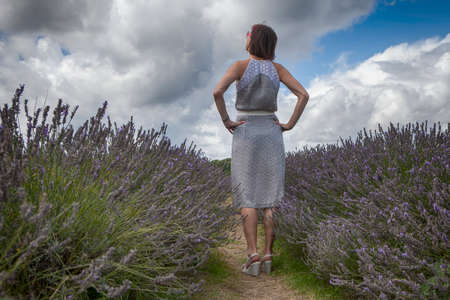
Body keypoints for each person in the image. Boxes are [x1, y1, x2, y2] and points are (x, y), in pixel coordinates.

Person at [212, 23, 309, 276]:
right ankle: (268, 254)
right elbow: (303, 95)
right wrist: (289, 124)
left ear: (252, 40)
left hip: (244, 130)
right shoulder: (278, 69)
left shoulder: (239, 66)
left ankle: (252, 255)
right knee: (271, 197)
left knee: (247, 196)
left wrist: (226, 121)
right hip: (271, 130)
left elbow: (217, 92)